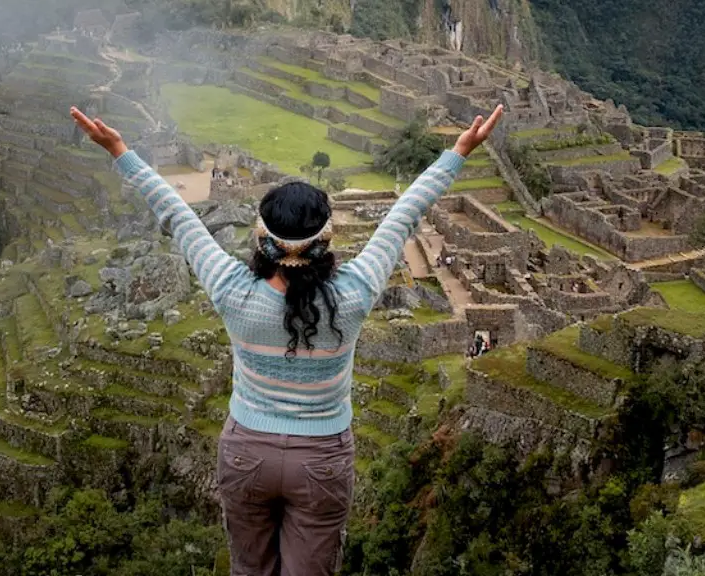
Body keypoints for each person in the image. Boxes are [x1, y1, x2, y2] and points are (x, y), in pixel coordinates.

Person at [70, 103, 503, 576]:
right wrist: (458, 152)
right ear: (325, 240)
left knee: (249, 568)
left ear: (263, 240)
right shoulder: (353, 295)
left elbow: (178, 215)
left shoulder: (233, 291)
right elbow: (404, 216)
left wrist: (120, 151)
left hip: (246, 453)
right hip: (322, 458)